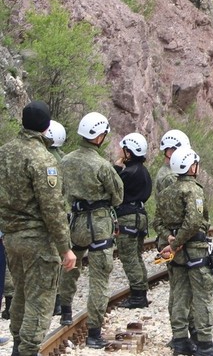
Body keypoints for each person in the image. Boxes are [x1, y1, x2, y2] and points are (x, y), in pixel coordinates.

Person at [0, 101, 76, 356]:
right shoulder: (43, 159)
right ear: (46, 127)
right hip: (37, 240)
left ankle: (17, 346)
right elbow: (52, 208)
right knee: (39, 299)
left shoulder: (4, 152)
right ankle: (27, 350)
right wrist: (65, 249)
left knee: (20, 293)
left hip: (11, 237)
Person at [57, 112, 124, 348]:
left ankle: (64, 310)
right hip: (99, 225)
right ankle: (94, 333)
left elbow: (59, 192)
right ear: (98, 137)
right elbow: (118, 196)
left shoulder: (64, 161)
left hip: (75, 222)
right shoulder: (102, 166)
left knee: (70, 267)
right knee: (99, 278)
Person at [154, 147, 213, 356]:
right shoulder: (194, 190)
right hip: (195, 251)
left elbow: (157, 222)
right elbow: (193, 223)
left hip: (178, 254)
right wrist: (177, 242)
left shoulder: (166, 192)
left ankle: (180, 340)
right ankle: (204, 344)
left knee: (179, 295)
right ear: (192, 166)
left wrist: (171, 238)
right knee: (201, 297)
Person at [114, 133, 152, 309]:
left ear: (128, 151)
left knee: (129, 256)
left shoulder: (128, 173)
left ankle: (138, 296)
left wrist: (116, 166)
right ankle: (141, 290)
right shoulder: (143, 171)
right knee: (136, 255)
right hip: (140, 215)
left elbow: (113, 189)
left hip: (128, 217)